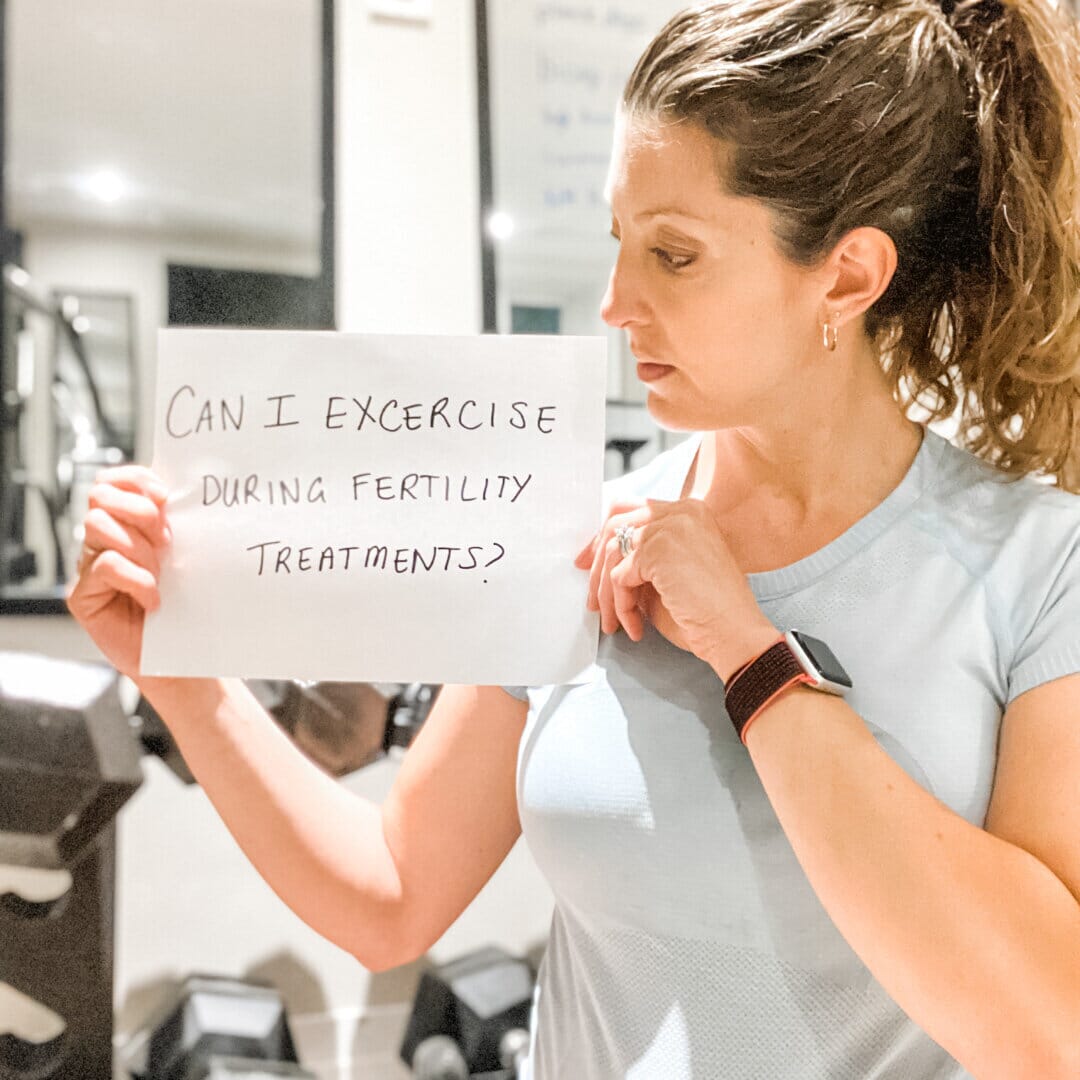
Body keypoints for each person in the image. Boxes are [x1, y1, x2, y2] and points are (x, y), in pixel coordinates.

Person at [68, 0, 1080, 1076]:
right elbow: (394, 895)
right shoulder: (570, 539)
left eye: (673, 255)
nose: (612, 304)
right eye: (617, 243)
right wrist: (184, 681)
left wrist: (749, 653)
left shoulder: (1039, 563)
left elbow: (1048, 1028)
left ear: (846, 275)